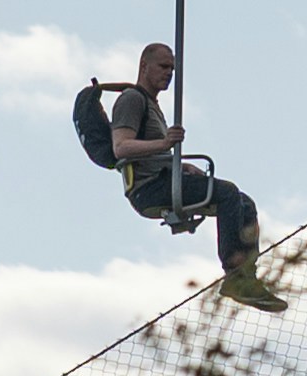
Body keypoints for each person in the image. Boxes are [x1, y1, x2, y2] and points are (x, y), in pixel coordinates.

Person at [80, 39, 287, 309]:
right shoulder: (132, 100)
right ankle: (235, 275)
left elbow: (154, 154)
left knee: (243, 203)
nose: (169, 73)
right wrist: (165, 144)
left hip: (163, 177)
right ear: (144, 66)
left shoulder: (153, 106)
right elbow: (121, 147)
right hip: (149, 188)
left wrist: (179, 164)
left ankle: (245, 276)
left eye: (173, 69)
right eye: (164, 66)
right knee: (226, 193)